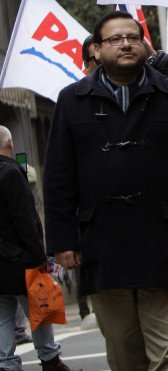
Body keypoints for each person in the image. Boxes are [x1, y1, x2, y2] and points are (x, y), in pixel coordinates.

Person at [43, 10, 168, 371]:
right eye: (115, 39)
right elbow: (59, 176)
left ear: (143, 46)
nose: (125, 44)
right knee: (124, 356)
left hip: (166, 241)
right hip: (102, 245)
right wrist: (63, 241)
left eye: (133, 37)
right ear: (95, 49)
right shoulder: (72, 100)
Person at [0, 126, 77, 371]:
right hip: (20, 260)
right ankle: (50, 359)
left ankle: (6, 364)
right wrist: (38, 256)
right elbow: (25, 220)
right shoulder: (11, 173)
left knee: (3, 315)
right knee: (39, 307)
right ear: (10, 144)